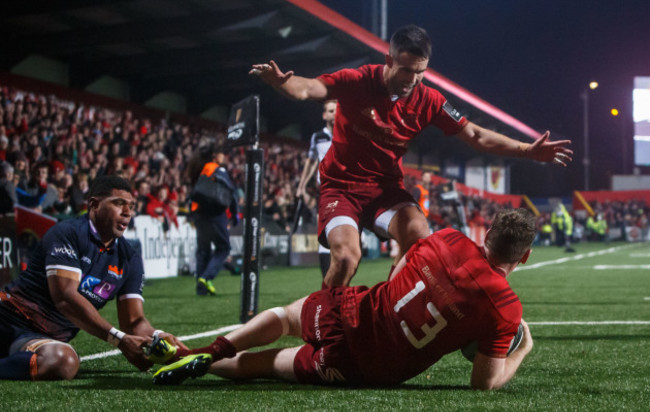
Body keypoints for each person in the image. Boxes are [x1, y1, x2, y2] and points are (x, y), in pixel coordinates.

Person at [249, 25, 572, 288]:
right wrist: (284, 84)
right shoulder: (357, 80)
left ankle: (388, 309)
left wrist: (527, 150)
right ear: (388, 60)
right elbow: (310, 89)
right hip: (341, 188)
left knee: (420, 236)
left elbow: (474, 134)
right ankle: (325, 326)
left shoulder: (429, 99)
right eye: (405, 70)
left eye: (420, 72)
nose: (411, 80)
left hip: (385, 191)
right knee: (347, 257)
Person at [153, 208, 536, 390]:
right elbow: (484, 385)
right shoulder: (505, 309)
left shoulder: (449, 238)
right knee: (266, 365)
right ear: (524, 256)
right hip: (369, 366)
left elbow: (402, 266)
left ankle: (205, 349)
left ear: (485, 235)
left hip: (353, 310)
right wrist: (521, 349)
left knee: (284, 317)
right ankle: (202, 363)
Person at [0, 175, 187, 380]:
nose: (127, 213)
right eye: (119, 204)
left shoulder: (129, 258)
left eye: (131, 206)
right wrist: (119, 340)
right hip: (8, 318)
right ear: (94, 205)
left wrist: (157, 338)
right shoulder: (67, 233)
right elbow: (65, 298)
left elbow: (133, 322)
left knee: (63, 361)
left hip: (37, 339)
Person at [186, 144, 239, 296]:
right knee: (224, 248)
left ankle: (201, 288)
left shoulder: (200, 169)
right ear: (215, 156)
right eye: (222, 154)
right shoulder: (218, 169)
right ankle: (206, 277)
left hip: (199, 214)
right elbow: (231, 193)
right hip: (215, 213)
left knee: (203, 250)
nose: (224, 156)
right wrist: (235, 214)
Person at [296, 100, 337, 277]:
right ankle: (327, 282)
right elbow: (311, 160)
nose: (334, 114)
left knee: (344, 236)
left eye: (337, 111)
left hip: (348, 190)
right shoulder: (318, 137)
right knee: (325, 234)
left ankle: (339, 278)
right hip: (327, 190)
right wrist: (301, 185)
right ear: (324, 115)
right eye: (330, 111)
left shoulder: (349, 134)